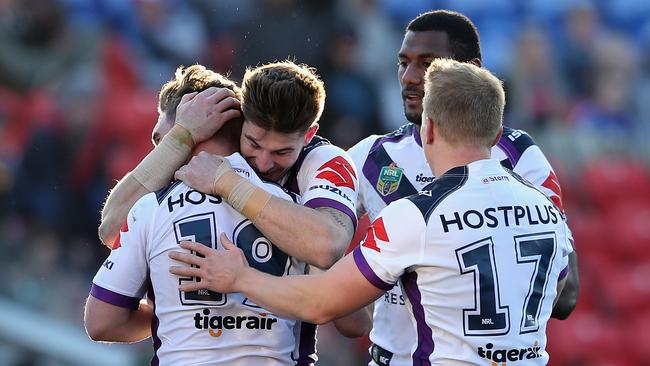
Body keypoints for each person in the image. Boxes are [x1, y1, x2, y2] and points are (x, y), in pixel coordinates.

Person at [168, 58, 577, 365]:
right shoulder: (546, 207)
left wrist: (240, 276)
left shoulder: (416, 214)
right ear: (495, 131)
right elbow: (559, 293)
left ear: (429, 127)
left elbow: (322, 304)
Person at [345, 10, 579, 365]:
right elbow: (320, 239)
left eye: (427, 64)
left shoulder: (519, 155)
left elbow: (566, 294)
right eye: (403, 62)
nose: (409, 78)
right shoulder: (372, 156)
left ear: (470, 68)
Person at [98, 60, 370, 340]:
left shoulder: (323, 161)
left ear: (308, 135)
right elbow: (112, 229)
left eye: (282, 152)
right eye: (253, 143)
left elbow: (330, 259)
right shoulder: (192, 161)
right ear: (242, 124)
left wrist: (227, 183)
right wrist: (179, 139)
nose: (264, 164)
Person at [84, 66, 316, 365]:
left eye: (160, 141)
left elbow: (102, 321)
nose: (158, 151)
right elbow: (350, 319)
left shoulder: (150, 208)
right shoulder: (298, 210)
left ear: (192, 124)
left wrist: (175, 311)